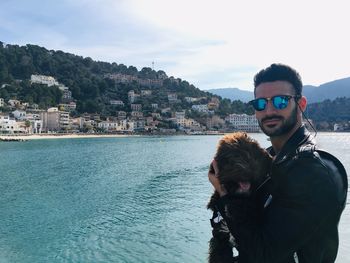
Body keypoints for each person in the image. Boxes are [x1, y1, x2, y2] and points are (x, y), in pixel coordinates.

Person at [208, 63, 348, 263]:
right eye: (261, 104)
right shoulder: (267, 159)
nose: (269, 111)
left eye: (281, 101)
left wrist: (224, 194)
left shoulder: (315, 172)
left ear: (301, 103)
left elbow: (265, 255)